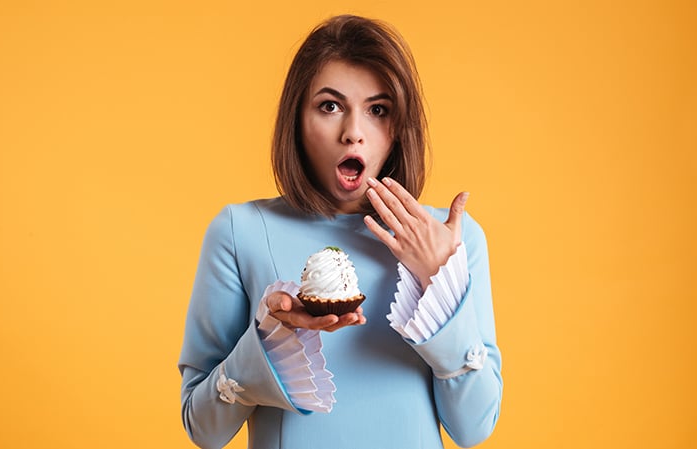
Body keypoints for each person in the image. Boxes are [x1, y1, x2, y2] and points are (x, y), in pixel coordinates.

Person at [178, 14, 502, 449]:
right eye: (330, 106)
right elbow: (204, 430)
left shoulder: (451, 237)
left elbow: (474, 427)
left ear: (399, 128)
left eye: (378, 110)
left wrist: (439, 279)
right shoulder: (239, 232)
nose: (354, 133)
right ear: (297, 119)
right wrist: (271, 338)